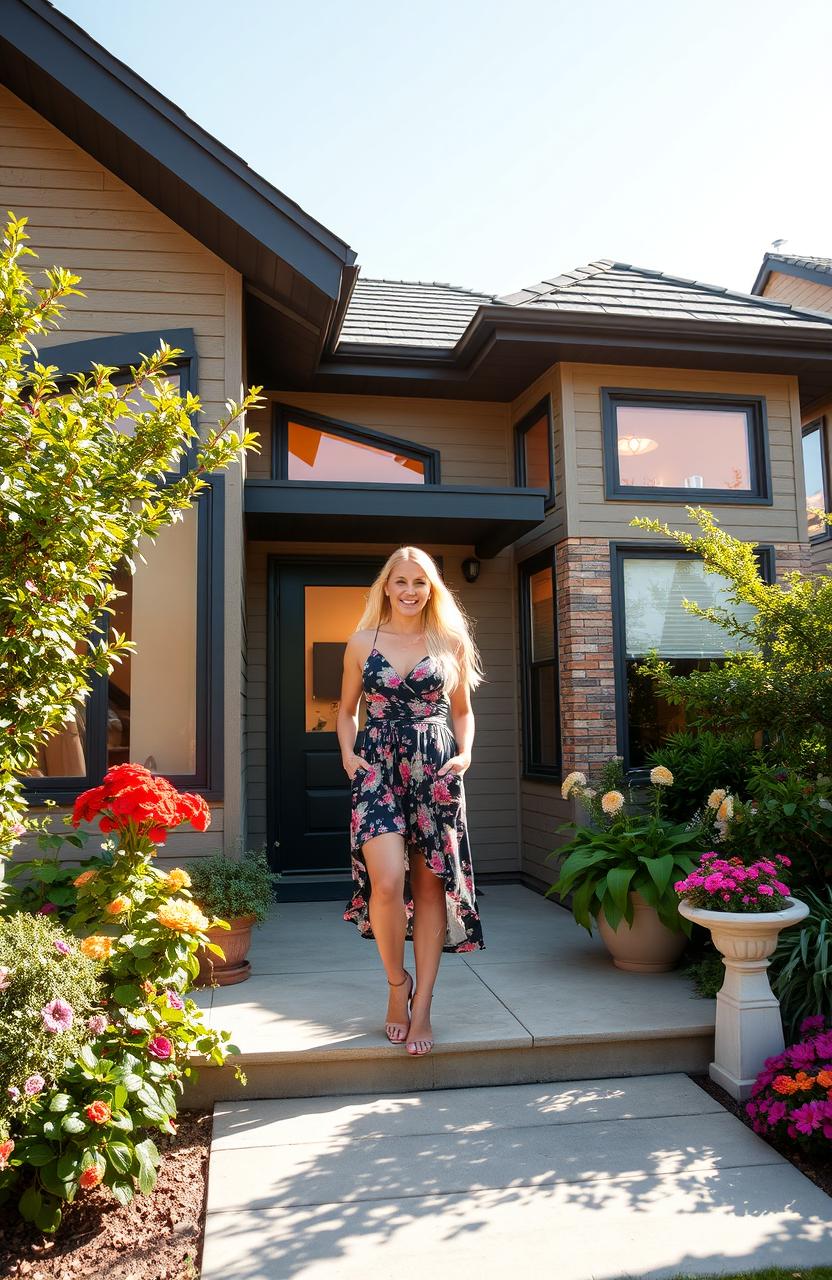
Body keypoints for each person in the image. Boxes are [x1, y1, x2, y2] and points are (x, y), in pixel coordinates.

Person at [339, 546, 485, 1056]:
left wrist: (465, 753)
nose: (409, 591)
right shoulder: (361, 642)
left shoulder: (450, 642)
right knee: (386, 883)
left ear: (431, 589)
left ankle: (422, 1007)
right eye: (399, 581)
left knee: (428, 889)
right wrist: (348, 756)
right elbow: (346, 711)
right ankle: (396, 984)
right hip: (378, 766)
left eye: (419, 582)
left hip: (435, 767)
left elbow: (462, 710)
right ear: (386, 586)